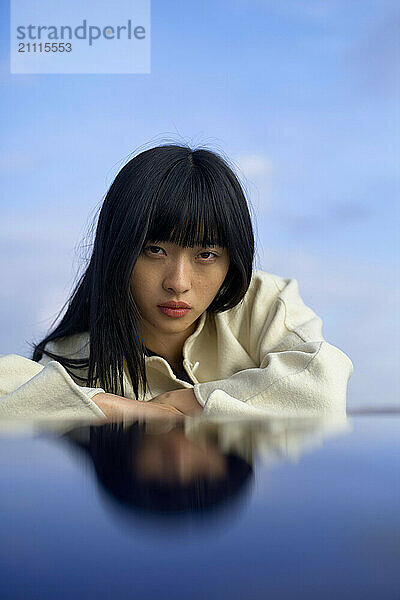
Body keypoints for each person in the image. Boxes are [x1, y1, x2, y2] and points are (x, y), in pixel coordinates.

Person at [0, 144, 353, 421]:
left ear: (233, 258)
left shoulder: (263, 303)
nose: (178, 283)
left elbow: (323, 382)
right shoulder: (76, 358)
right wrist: (121, 407)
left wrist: (190, 402)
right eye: (154, 249)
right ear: (118, 251)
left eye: (206, 254)